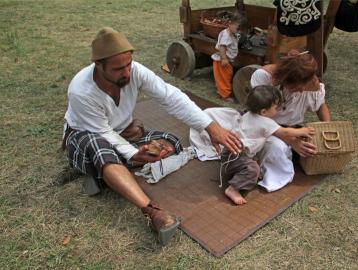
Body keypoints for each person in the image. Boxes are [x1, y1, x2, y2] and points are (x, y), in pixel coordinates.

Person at [62, 27, 242, 244]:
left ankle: (105, 172)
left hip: (120, 131)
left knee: (171, 144)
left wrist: (210, 126)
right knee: (100, 146)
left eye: (128, 64)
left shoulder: (135, 71)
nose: (127, 73)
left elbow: (170, 97)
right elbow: (102, 131)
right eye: (119, 69)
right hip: (86, 133)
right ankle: (151, 211)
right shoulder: (81, 91)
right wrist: (134, 154)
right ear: (99, 66)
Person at [213, 85, 314, 205]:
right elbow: (285, 132)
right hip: (236, 156)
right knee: (253, 170)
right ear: (264, 111)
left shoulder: (248, 114)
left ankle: (238, 173)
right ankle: (233, 189)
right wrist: (302, 131)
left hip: (229, 152)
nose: (279, 110)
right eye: (276, 108)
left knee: (252, 162)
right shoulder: (265, 122)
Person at [250, 49, 330, 192]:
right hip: (265, 128)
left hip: (293, 129)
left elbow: (320, 105)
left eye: (303, 87)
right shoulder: (264, 78)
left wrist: (327, 129)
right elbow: (259, 119)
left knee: (313, 147)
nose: (301, 91)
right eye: (295, 87)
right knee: (277, 148)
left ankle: (289, 154)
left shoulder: (310, 81)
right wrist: (291, 141)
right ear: (284, 79)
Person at [211, 13, 242, 102]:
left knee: (223, 77)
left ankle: (221, 91)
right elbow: (222, 47)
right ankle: (225, 96)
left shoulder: (231, 33)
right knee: (224, 78)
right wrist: (224, 58)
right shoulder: (226, 35)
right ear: (230, 23)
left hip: (226, 60)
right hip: (222, 60)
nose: (239, 31)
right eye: (238, 28)